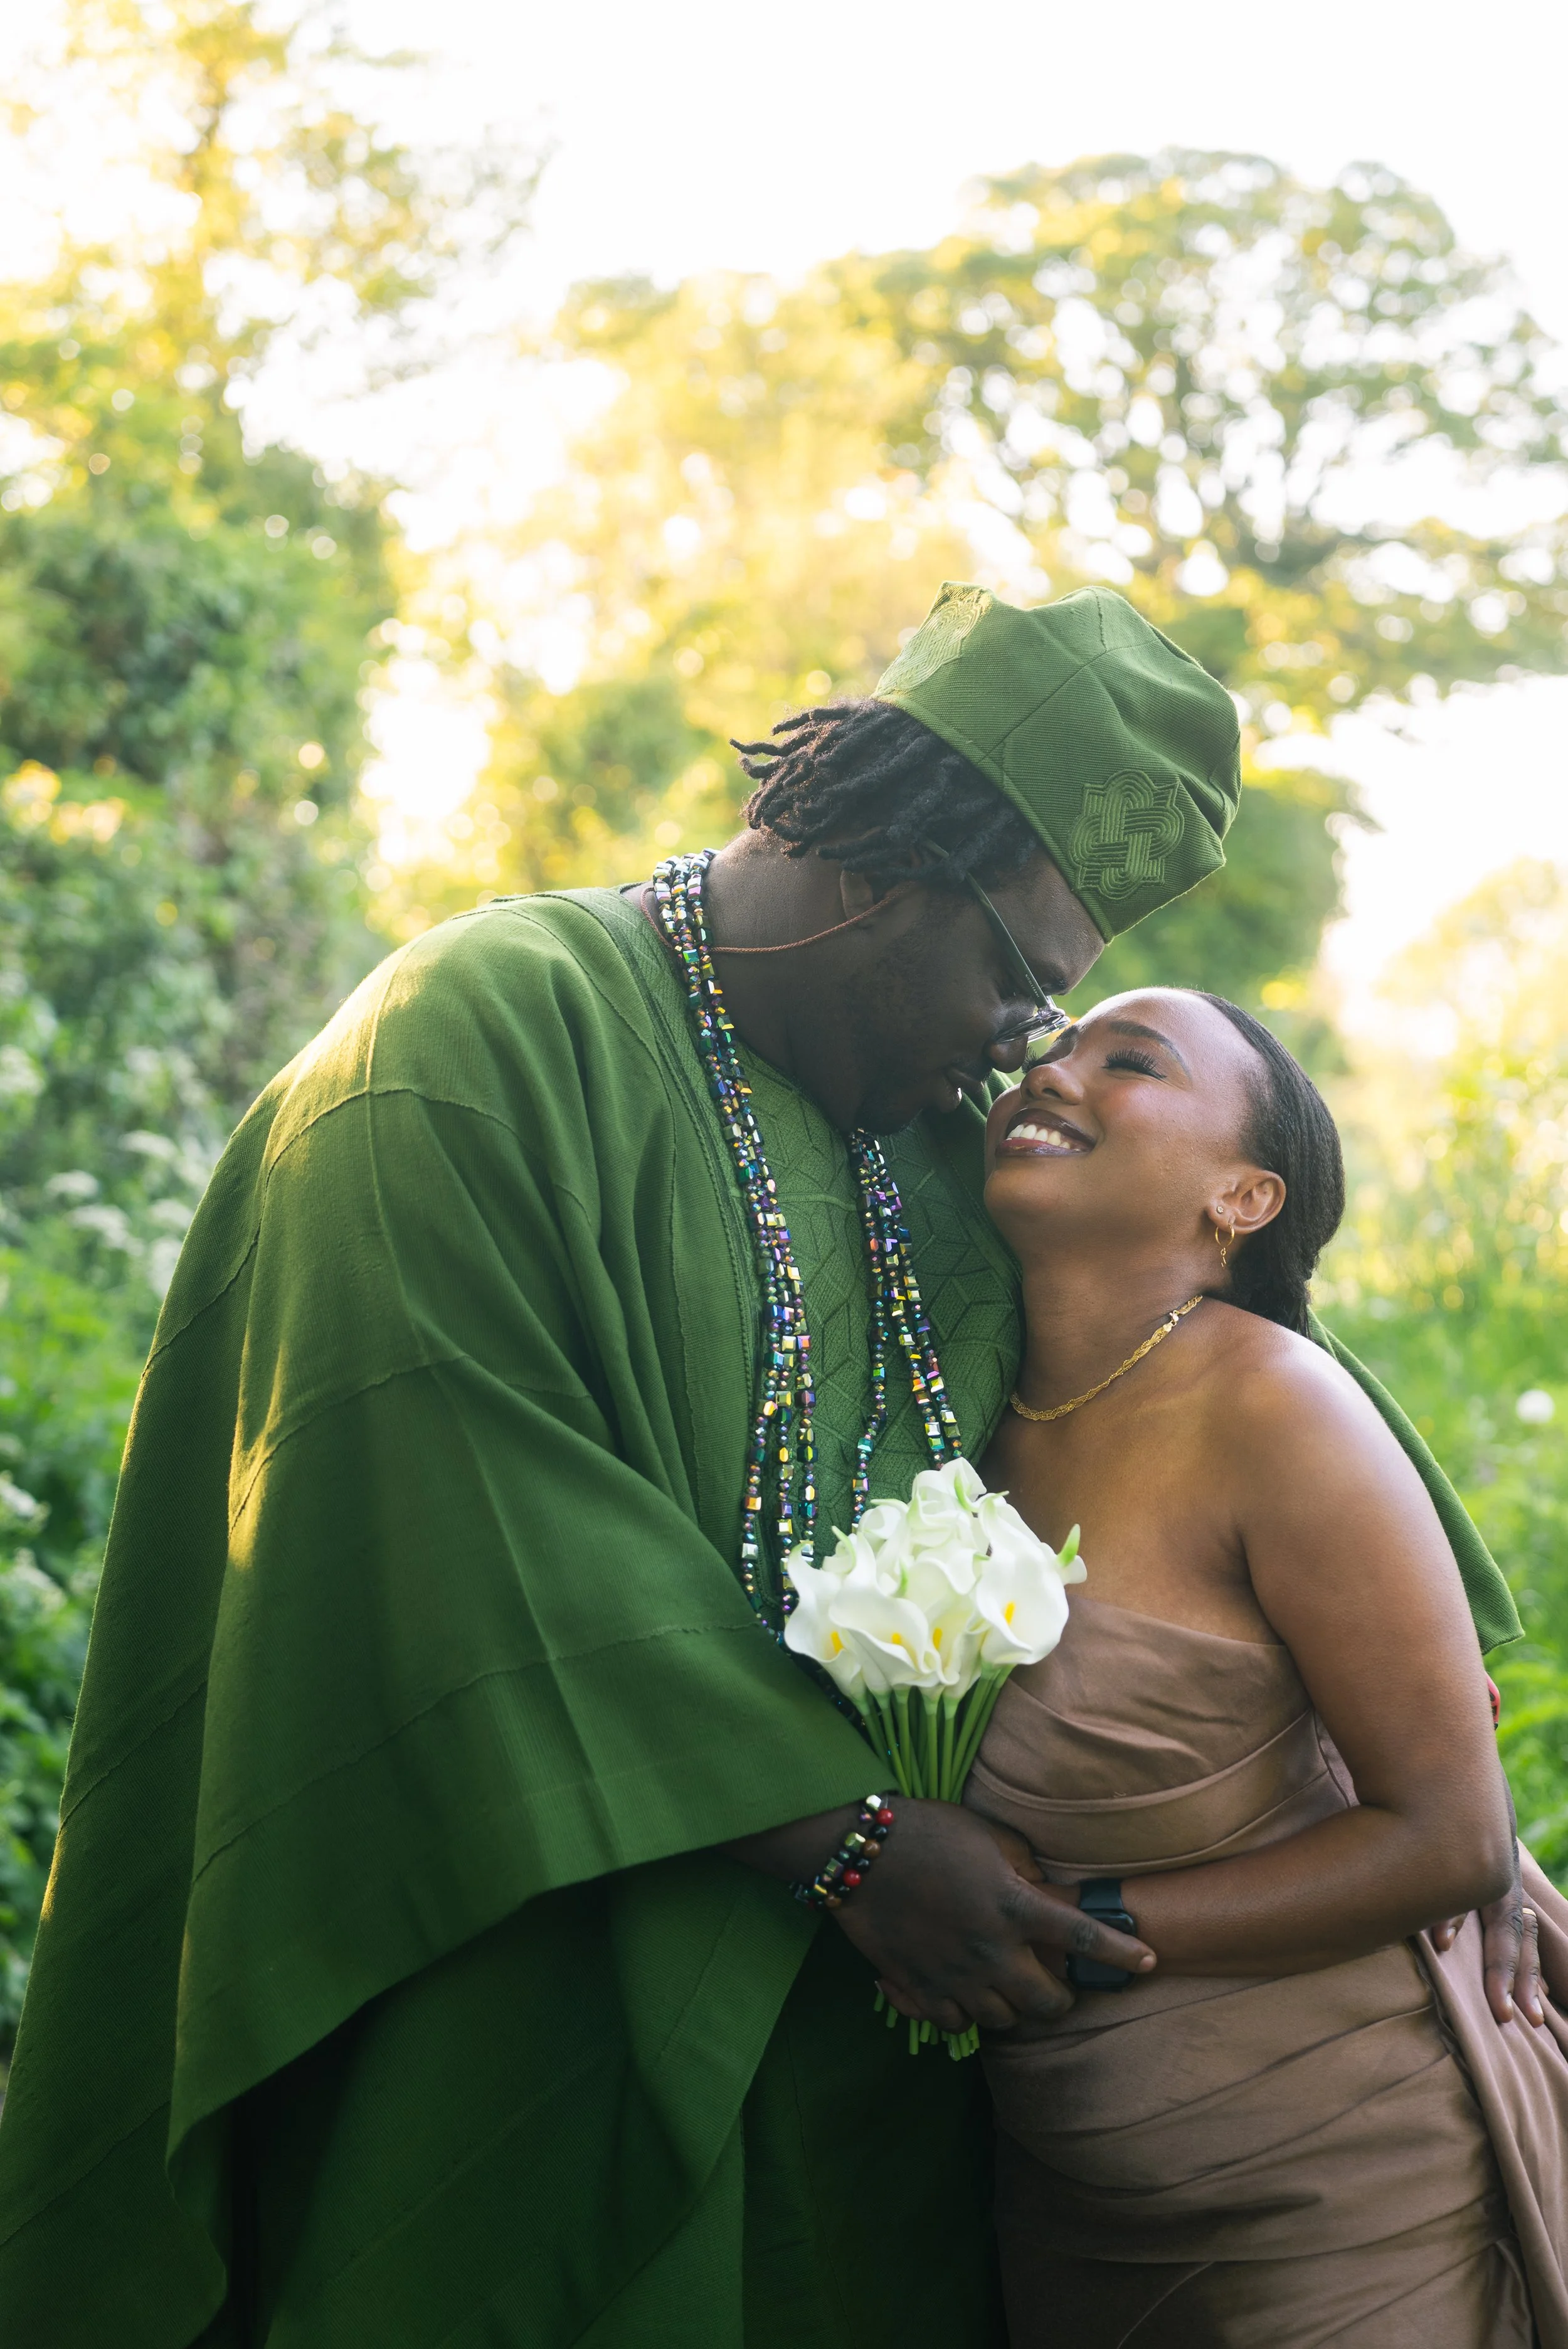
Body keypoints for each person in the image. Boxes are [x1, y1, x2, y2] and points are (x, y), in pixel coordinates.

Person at [0, 585, 1527, 2347]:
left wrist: (1452, 1824)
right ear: (885, 870)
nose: (1022, 1046)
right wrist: (848, 1840)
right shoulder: (469, 1047)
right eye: (1021, 979)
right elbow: (445, 1500)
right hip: (538, 1973)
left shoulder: (952, 1137)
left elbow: (1227, 1391)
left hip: (891, 2065)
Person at [946, 987, 1568, 2343]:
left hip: (1326, 2180)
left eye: (1129, 1062)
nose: (1054, 1076)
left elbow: (1449, 1837)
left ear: (1241, 1195)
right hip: (1064, 2194)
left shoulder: (1276, 1409)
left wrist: (1071, 1924)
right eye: (1050, 1050)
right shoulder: (958, 1406)